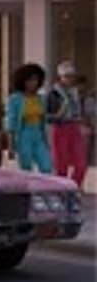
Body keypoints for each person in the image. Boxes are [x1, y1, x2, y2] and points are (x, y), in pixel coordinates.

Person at [47, 60, 88, 188]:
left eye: (71, 76)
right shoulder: (53, 94)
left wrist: (83, 121)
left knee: (81, 163)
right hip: (60, 127)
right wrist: (58, 115)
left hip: (74, 126)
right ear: (60, 77)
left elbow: (81, 110)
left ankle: (74, 187)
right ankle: (61, 189)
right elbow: (47, 115)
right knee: (61, 163)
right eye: (66, 76)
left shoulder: (75, 92)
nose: (70, 79)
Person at [5, 62, 52, 174]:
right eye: (29, 80)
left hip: (38, 135)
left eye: (35, 80)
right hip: (23, 134)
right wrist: (10, 144)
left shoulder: (41, 99)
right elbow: (11, 121)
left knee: (46, 165)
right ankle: (27, 189)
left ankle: (45, 189)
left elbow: (43, 120)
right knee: (26, 167)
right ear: (23, 81)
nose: (33, 83)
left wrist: (46, 139)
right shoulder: (15, 99)